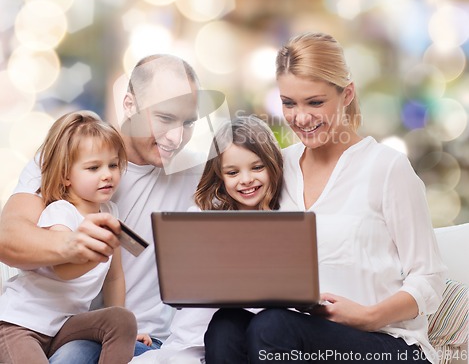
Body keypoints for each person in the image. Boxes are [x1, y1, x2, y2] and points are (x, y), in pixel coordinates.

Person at [204, 32, 447, 364]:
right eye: (289, 103)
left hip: (387, 345)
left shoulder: (387, 168)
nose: (301, 118)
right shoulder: (279, 166)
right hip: (301, 335)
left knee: (272, 326)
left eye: (315, 102)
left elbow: (430, 278)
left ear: (346, 94)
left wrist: (370, 316)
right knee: (226, 325)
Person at [0, 55, 213, 363]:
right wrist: (71, 245)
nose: (176, 137)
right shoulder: (70, 155)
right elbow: (8, 238)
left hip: (145, 340)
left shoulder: (201, 175)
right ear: (129, 104)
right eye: (165, 118)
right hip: (62, 331)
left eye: (189, 122)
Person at [135, 115, 283, 363]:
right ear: (221, 177)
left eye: (257, 168)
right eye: (233, 172)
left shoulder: (284, 222)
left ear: (272, 165)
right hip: (188, 344)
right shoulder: (201, 218)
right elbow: (180, 288)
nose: (246, 180)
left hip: (243, 343)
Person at [0, 110, 140, 364]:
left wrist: (129, 331)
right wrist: (98, 251)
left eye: (113, 165)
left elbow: (115, 276)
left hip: (62, 326)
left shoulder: (111, 212)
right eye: (93, 167)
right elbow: (64, 269)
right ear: (66, 175)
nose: (107, 174)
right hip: (21, 325)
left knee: (122, 319)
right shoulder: (60, 211)